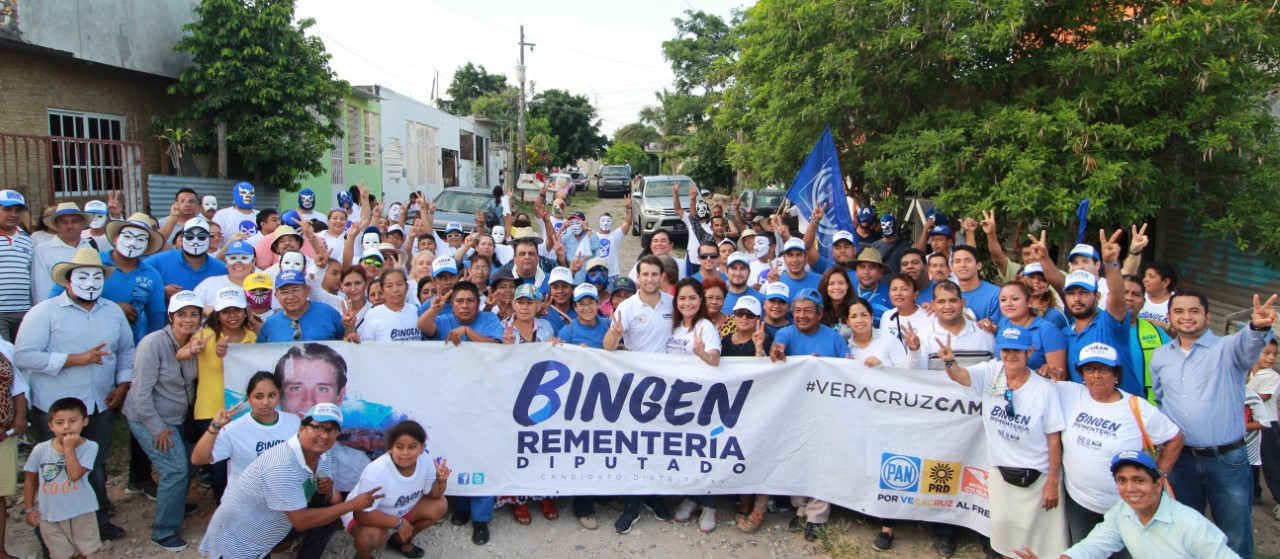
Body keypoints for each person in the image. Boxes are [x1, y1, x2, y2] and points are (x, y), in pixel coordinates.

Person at [14, 248, 130, 541]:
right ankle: (55, 527)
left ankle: (98, 519)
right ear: (68, 280)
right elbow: (24, 355)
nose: (90, 283)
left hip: (100, 402)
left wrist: (122, 385)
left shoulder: (113, 311)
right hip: (57, 407)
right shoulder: (44, 313)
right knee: (56, 465)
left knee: (96, 461)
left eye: (96, 277)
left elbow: (126, 351)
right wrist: (73, 359)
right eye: (82, 276)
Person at [1149, 291, 1276, 558]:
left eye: (1194, 311)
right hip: (1180, 461)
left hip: (1226, 460)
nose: (1186, 316)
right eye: (1179, 311)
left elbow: (1248, 344)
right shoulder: (1160, 356)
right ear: (1169, 317)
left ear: (1208, 317)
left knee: (1235, 536)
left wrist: (1257, 327)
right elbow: (1161, 401)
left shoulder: (1227, 348)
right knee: (1185, 533)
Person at [938, 325, 1068, 558]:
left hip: (1038, 478)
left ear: (1030, 351)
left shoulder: (1044, 389)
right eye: (1006, 350)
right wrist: (950, 362)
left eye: (1017, 350)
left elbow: (1053, 439)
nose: (1011, 355)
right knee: (1007, 543)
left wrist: (1052, 483)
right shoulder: (991, 371)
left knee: (1042, 547)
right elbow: (962, 376)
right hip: (1001, 475)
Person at [198, 403, 382, 559]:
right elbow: (301, 521)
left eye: (331, 430)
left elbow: (332, 499)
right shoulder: (282, 465)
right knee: (330, 513)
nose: (324, 435)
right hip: (240, 539)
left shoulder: (322, 453)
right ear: (302, 428)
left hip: (272, 525)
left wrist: (328, 490)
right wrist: (352, 505)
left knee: (330, 515)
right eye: (317, 428)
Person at [1055, 343, 1184, 551]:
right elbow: (1031, 385)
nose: (1096, 375)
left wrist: (1158, 476)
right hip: (1080, 505)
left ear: (1116, 374)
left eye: (1103, 369)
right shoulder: (1069, 393)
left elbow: (1175, 438)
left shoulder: (1135, 406)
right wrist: (1045, 371)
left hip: (1127, 510)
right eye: (1089, 369)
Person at [1012, 450, 1240, 559]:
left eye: (1139, 480)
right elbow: (1091, 547)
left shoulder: (1191, 525)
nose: (1130, 488)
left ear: (1157, 484)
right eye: (1122, 480)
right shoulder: (1122, 513)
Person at [122, 290, 203, 551]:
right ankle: (164, 530)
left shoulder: (197, 341)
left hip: (178, 416)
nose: (188, 319)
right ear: (171, 317)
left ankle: (174, 503)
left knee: (192, 461)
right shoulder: (152, 344)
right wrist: (157, 428)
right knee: (175, 468)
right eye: (181, 314)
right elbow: (140, 393)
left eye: (194, 314)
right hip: (149, 417)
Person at [767, 287, 848, 541]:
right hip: (795, 410)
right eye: (797, 310)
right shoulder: (787, 332)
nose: (801, 315)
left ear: (820, 314)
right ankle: (801, 508)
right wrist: (777, 351)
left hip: (826, 411)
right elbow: (778, 344)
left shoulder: (835, 339)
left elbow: (848, 370)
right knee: (796, 458)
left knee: (822, 462)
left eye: (808, 311)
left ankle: (817, 516)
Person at [603, 255, 676, 533]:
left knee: (660, 444)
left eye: (654, 274)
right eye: (645, 274)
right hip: (635, 386)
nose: (649, 279)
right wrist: (615, 334)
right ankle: (632, 504)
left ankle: (654, 496)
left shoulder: (673, 304)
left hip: (668, 385)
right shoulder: (627, 307)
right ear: (639, 277)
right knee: (635, 446)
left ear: (661, 276)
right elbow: (608, 345)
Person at [344, 420, 449, 559]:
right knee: (371, 536)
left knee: (440, 505)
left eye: (412, 447)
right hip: (366, 515)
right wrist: (398, 523)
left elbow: (434, 495)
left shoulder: (426, 460)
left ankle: (400, 541)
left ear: (422, 448)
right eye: (399, 447)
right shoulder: (377, 471)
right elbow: (361, 514)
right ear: (390, 448)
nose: (405, 453)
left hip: (400, 509)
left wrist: (441, 481)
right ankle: (363, 557)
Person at [188, 287, 256, 502]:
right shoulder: (205, 335)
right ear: (217, 314)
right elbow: (182, 353)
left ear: (245, 312)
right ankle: (222, 507)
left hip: (243, 410)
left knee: (244, 459)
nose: (232, 315)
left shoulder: (253, 337)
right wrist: (193, 349)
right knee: (217, 464)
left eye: (237, 310)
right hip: (210, 410)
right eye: (226, 311)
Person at [1060, 230, 1143, 397]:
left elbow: (1117, 297)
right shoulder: (1065, 334)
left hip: (1126, 408)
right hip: (1088, 410)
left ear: (1097, 296)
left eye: (1084, 292)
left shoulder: (1110, 323)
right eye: (1071, 293)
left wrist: (1111, 264)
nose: (1077, 298)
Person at [22, 397, 100, 559]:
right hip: (50, 514)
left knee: (84, 552)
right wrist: (29, 509)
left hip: (81, 511)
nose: (66, 427)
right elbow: (30, 478)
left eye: (73, 421)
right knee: (61, 555)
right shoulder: (40, 450)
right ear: (51, 426)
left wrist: (69, 448)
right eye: (59, 422)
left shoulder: (90, 447)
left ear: (85, 421)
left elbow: (75, 475)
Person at [904, 280, 995, 370]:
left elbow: (996, 371)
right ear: (933, 305)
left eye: (953, 300)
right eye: (941, 302)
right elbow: (917, 374)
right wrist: (914, 351)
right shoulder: (924, 336)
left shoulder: (984, 333)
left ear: (962, 302)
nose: (948, 306)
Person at [987, 281, 1069, 377]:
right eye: (1003, 300)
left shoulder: (1048, 330)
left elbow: (1058, 375)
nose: (1008, 304)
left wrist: (1032, 375)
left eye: (1015, 299)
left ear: (1029, 302)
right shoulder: (1003, 324)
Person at [147, 217, 229, 298]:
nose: (195, 241)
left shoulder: (221, 269)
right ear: (182, 239)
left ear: (209, 239)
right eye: (189, 236)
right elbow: (139, 281)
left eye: (202, 237)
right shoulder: (159, 261)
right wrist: (161, 291)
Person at [257, 270, 347, 343]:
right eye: (284, 292)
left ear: (307, 290)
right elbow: (263, 355)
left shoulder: (328, 313)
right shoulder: (270, 324)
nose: (290, 296)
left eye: (295, 290)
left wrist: (349, 329)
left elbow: (345, 344)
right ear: (276, 296)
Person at [1120, 275, 1170, 405]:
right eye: (1124, 292)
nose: (1129, 298)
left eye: (1136, 294)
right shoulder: (1094, 326)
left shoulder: (1156, 333)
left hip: (1143, 410)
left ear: (1143, 302)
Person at [0, 335, 27, 558]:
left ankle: (1, 551)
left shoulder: (4, 347)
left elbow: (18, 386)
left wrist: (20, 415)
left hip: (4, 436)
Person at [31, 202, 91, 304]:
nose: (70, 226)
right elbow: (41, 289)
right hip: (57, 309)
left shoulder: (90, 247)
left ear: (82, 223)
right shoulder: (42, 251)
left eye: (74, 221)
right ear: (56, 225)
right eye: (64, 222)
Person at [1249, 340, 1280, 516]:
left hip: (1268, 424)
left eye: (1274, 354)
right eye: (1267, 353)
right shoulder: (1247, 372)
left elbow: (1262, 397)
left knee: (1271, 464)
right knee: (1250, 461)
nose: (1271, 357)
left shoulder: (1272, 376)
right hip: (1249, 425)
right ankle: (1254, 493)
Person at [0, 190, 34, 342]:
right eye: (7, 209)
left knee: (23, 354)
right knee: (5, 355)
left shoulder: (27, 239)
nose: (13, 214)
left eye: (18, 210)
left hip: (24, 311)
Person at [356, 270, 420, 342]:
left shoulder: (415, 311)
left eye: (399, 284)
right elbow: (367, 345)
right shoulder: (373, 314)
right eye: (389, 286)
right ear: (382, 290)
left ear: (407, 287)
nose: (395, 290)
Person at [847, 297, 910, 369]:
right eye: (853, 316)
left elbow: (905, 371)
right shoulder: (846, 346)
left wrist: (881, 366)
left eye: (864, 315)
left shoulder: (888, 339)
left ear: (872, 318)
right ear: (847, 321)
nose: (859, 320)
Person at [951, 245, 1001, 322]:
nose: (962, 265)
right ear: (951, 267)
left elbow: (1002, 326)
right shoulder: (946, 295)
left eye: (968, 261)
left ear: (979, 265)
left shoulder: (996, 294)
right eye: (957, 261)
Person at [555, 284, 612, 350]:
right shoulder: (567, 332)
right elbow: (559, 354)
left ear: (597, 304)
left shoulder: (609, 325)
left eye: (591, 303)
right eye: (581, 304)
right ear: (575, 307)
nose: (587, 308)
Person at [879, 274, 929, 347]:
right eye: (894, 289)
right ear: (889, 294)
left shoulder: (928, 316)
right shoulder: (886, 316)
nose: (898, 293)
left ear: (915, 294)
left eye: (904, 289)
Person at [852, 247, 893, 327]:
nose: (866, 272)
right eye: (862, 267)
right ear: (856, 270)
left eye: (871, 267)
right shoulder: (847, 291)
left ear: (881, 271)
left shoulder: (891, 294)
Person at [1138, 262, 1176, 329]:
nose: (1145, 280)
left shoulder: (1177, 301)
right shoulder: (1138, 296)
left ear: (1166, 282)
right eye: (1145, 276)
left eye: (1151, 276)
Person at [817, 266, 853, 335]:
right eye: (831, 283)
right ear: (825, 286)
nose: (836, 287)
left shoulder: (854, 308)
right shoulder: (817, 311)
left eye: (841, 283)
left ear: (847, 285)